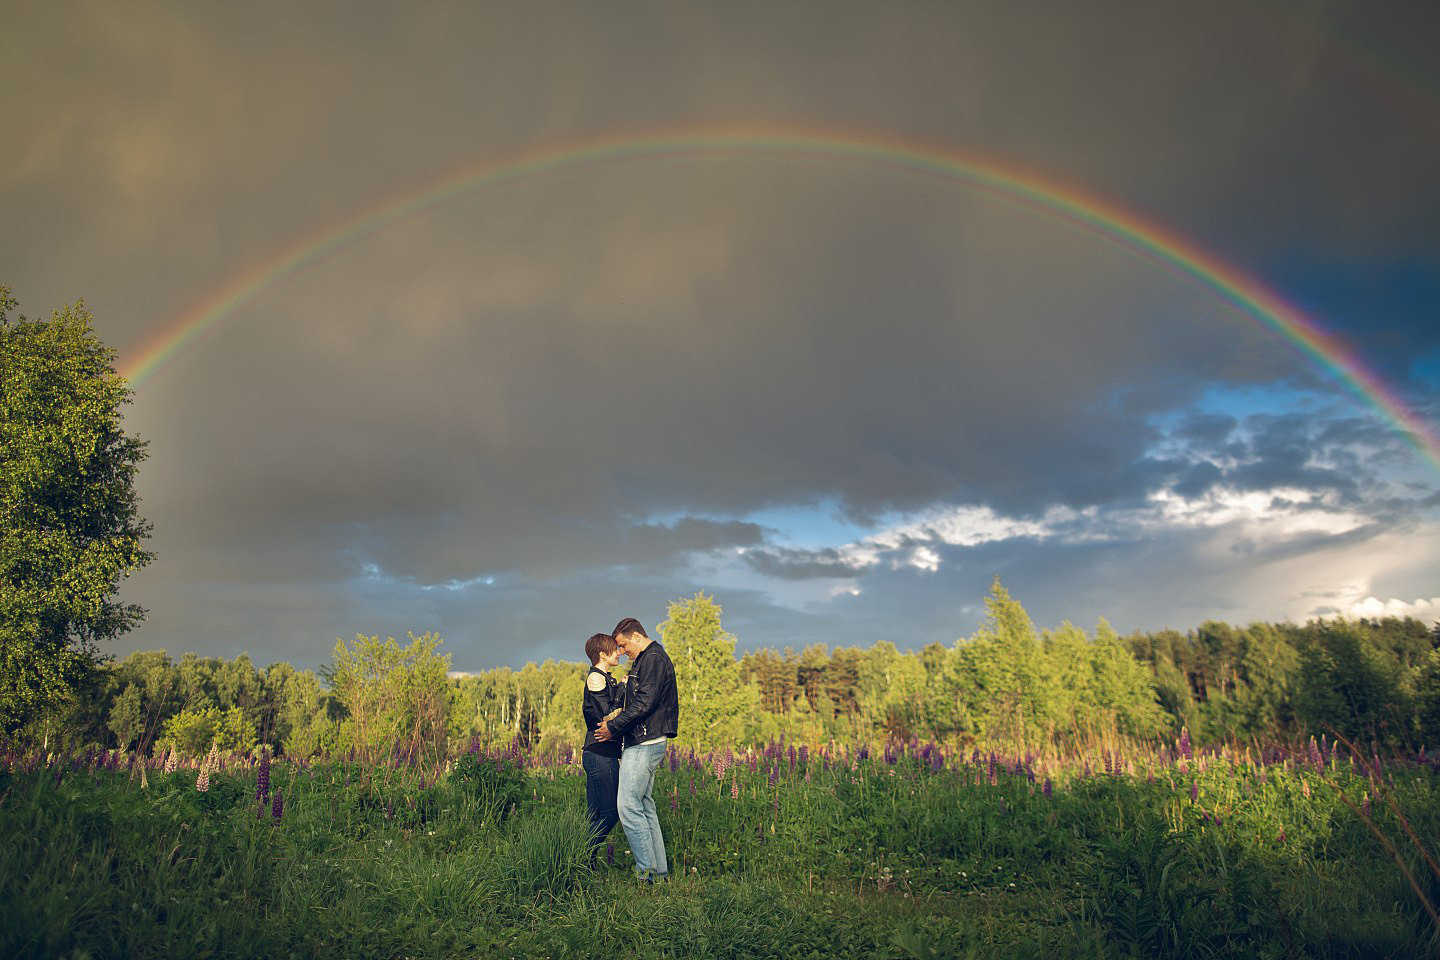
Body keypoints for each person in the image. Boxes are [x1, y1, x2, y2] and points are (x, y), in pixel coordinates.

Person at [594, 617, 679, 882]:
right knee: (644, 805)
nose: (622, 651)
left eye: (622, 645)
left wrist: (613, 728)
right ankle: (660, 873)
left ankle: (646, 874)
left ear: (637, 637)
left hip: (644, 742)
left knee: (628, 806)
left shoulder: (652, 659)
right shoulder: (645, 660)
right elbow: (636, 697)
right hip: (648, 740)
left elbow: (644, 704)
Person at [580, 631, 624, 862]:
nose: (619, 653)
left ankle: (584, 866)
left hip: (599, 753)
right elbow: (607, 713)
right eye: (614, 649)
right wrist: (624, 688)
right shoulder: (596, 678)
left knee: (595, 814)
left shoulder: (606, 678)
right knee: (610, 812)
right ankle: (580, 855)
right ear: (602, 654)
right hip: (600, 754)